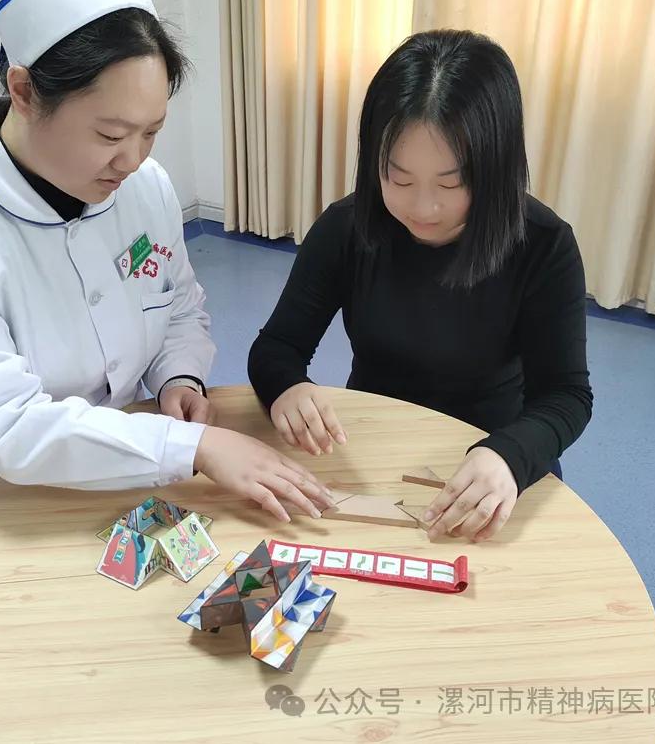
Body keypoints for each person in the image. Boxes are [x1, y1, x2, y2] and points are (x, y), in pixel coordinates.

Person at [0, 0, 331, 567]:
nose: (133, 160)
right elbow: (5, 427)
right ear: (24, 90)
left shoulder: (144, 187)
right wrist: (191, 448)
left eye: (152, 132)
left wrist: (178, 376)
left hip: (113, 461)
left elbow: (177, 305)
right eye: (110, 134)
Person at [248, 29, 593, 543]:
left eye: (451, 183)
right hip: (371, 450)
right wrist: (288, 387)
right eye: (400, 178)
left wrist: (508, 455)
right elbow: (277, 347)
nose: (423, 208)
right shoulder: (348, 227)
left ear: (496, 167)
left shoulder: (543, 244)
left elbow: (566, 396)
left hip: (492, 458)